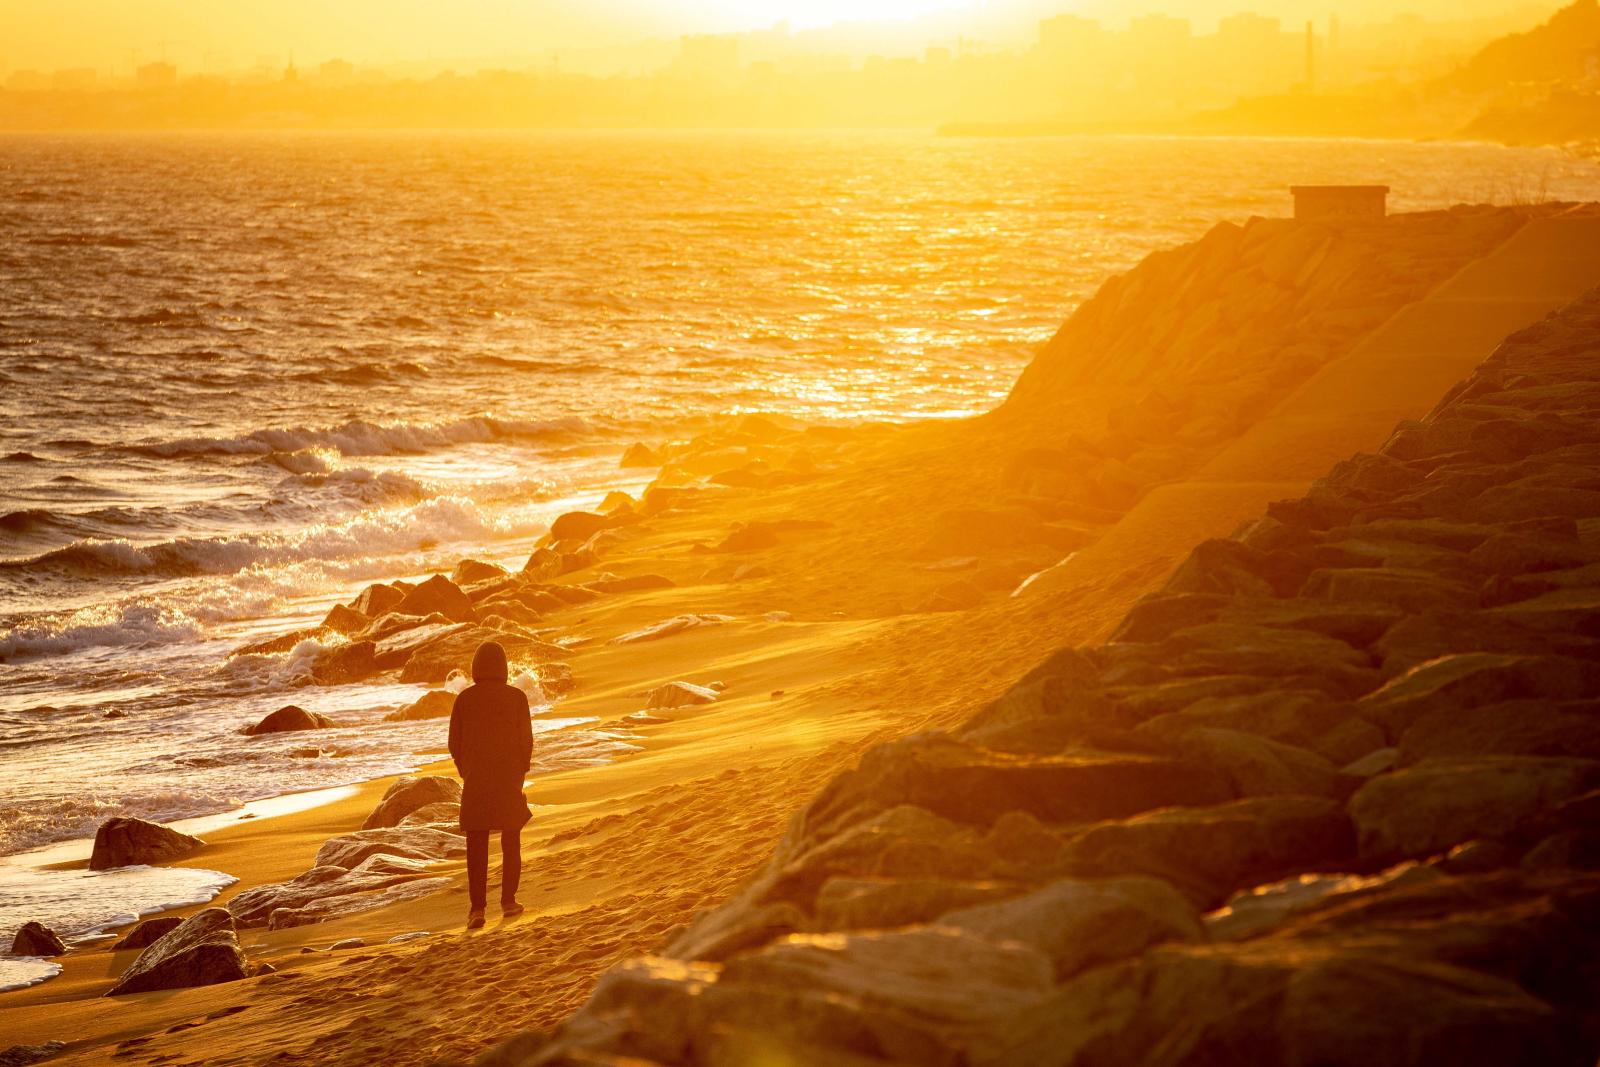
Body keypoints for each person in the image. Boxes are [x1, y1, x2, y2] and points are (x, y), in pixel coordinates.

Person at [447, 640, 533, 929]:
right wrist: (520, 772)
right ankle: (508, 901)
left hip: (476, 780)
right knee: (511, 839)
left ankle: (477, 910)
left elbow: (453, 744)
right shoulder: (517, 697)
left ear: (475, 667)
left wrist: (466, 771)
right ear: (504, 667)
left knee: (477, 844)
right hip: (508, 777)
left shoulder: (463, 700)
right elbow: (526, 742)